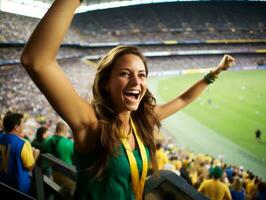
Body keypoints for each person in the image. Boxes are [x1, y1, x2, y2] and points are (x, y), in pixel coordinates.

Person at [20, 0, 235, 199]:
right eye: (125, 73)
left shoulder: (140, 121)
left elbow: (183, 99)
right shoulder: (91, 123)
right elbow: (36, 60)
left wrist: (215, 72)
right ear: (106, 83)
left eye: (141, 75)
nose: (136, 81)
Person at [0, 112, 40, 195]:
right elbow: (29, 167)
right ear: (16, 127)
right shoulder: (23, 143)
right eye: (23, 123)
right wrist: (35, 155)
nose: (24, 125)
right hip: (18, 187)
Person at [42, 121, 75, 196]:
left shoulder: (47, 141)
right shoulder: (69, 143)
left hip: (52, 174)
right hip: (67, 176)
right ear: (65, 130)